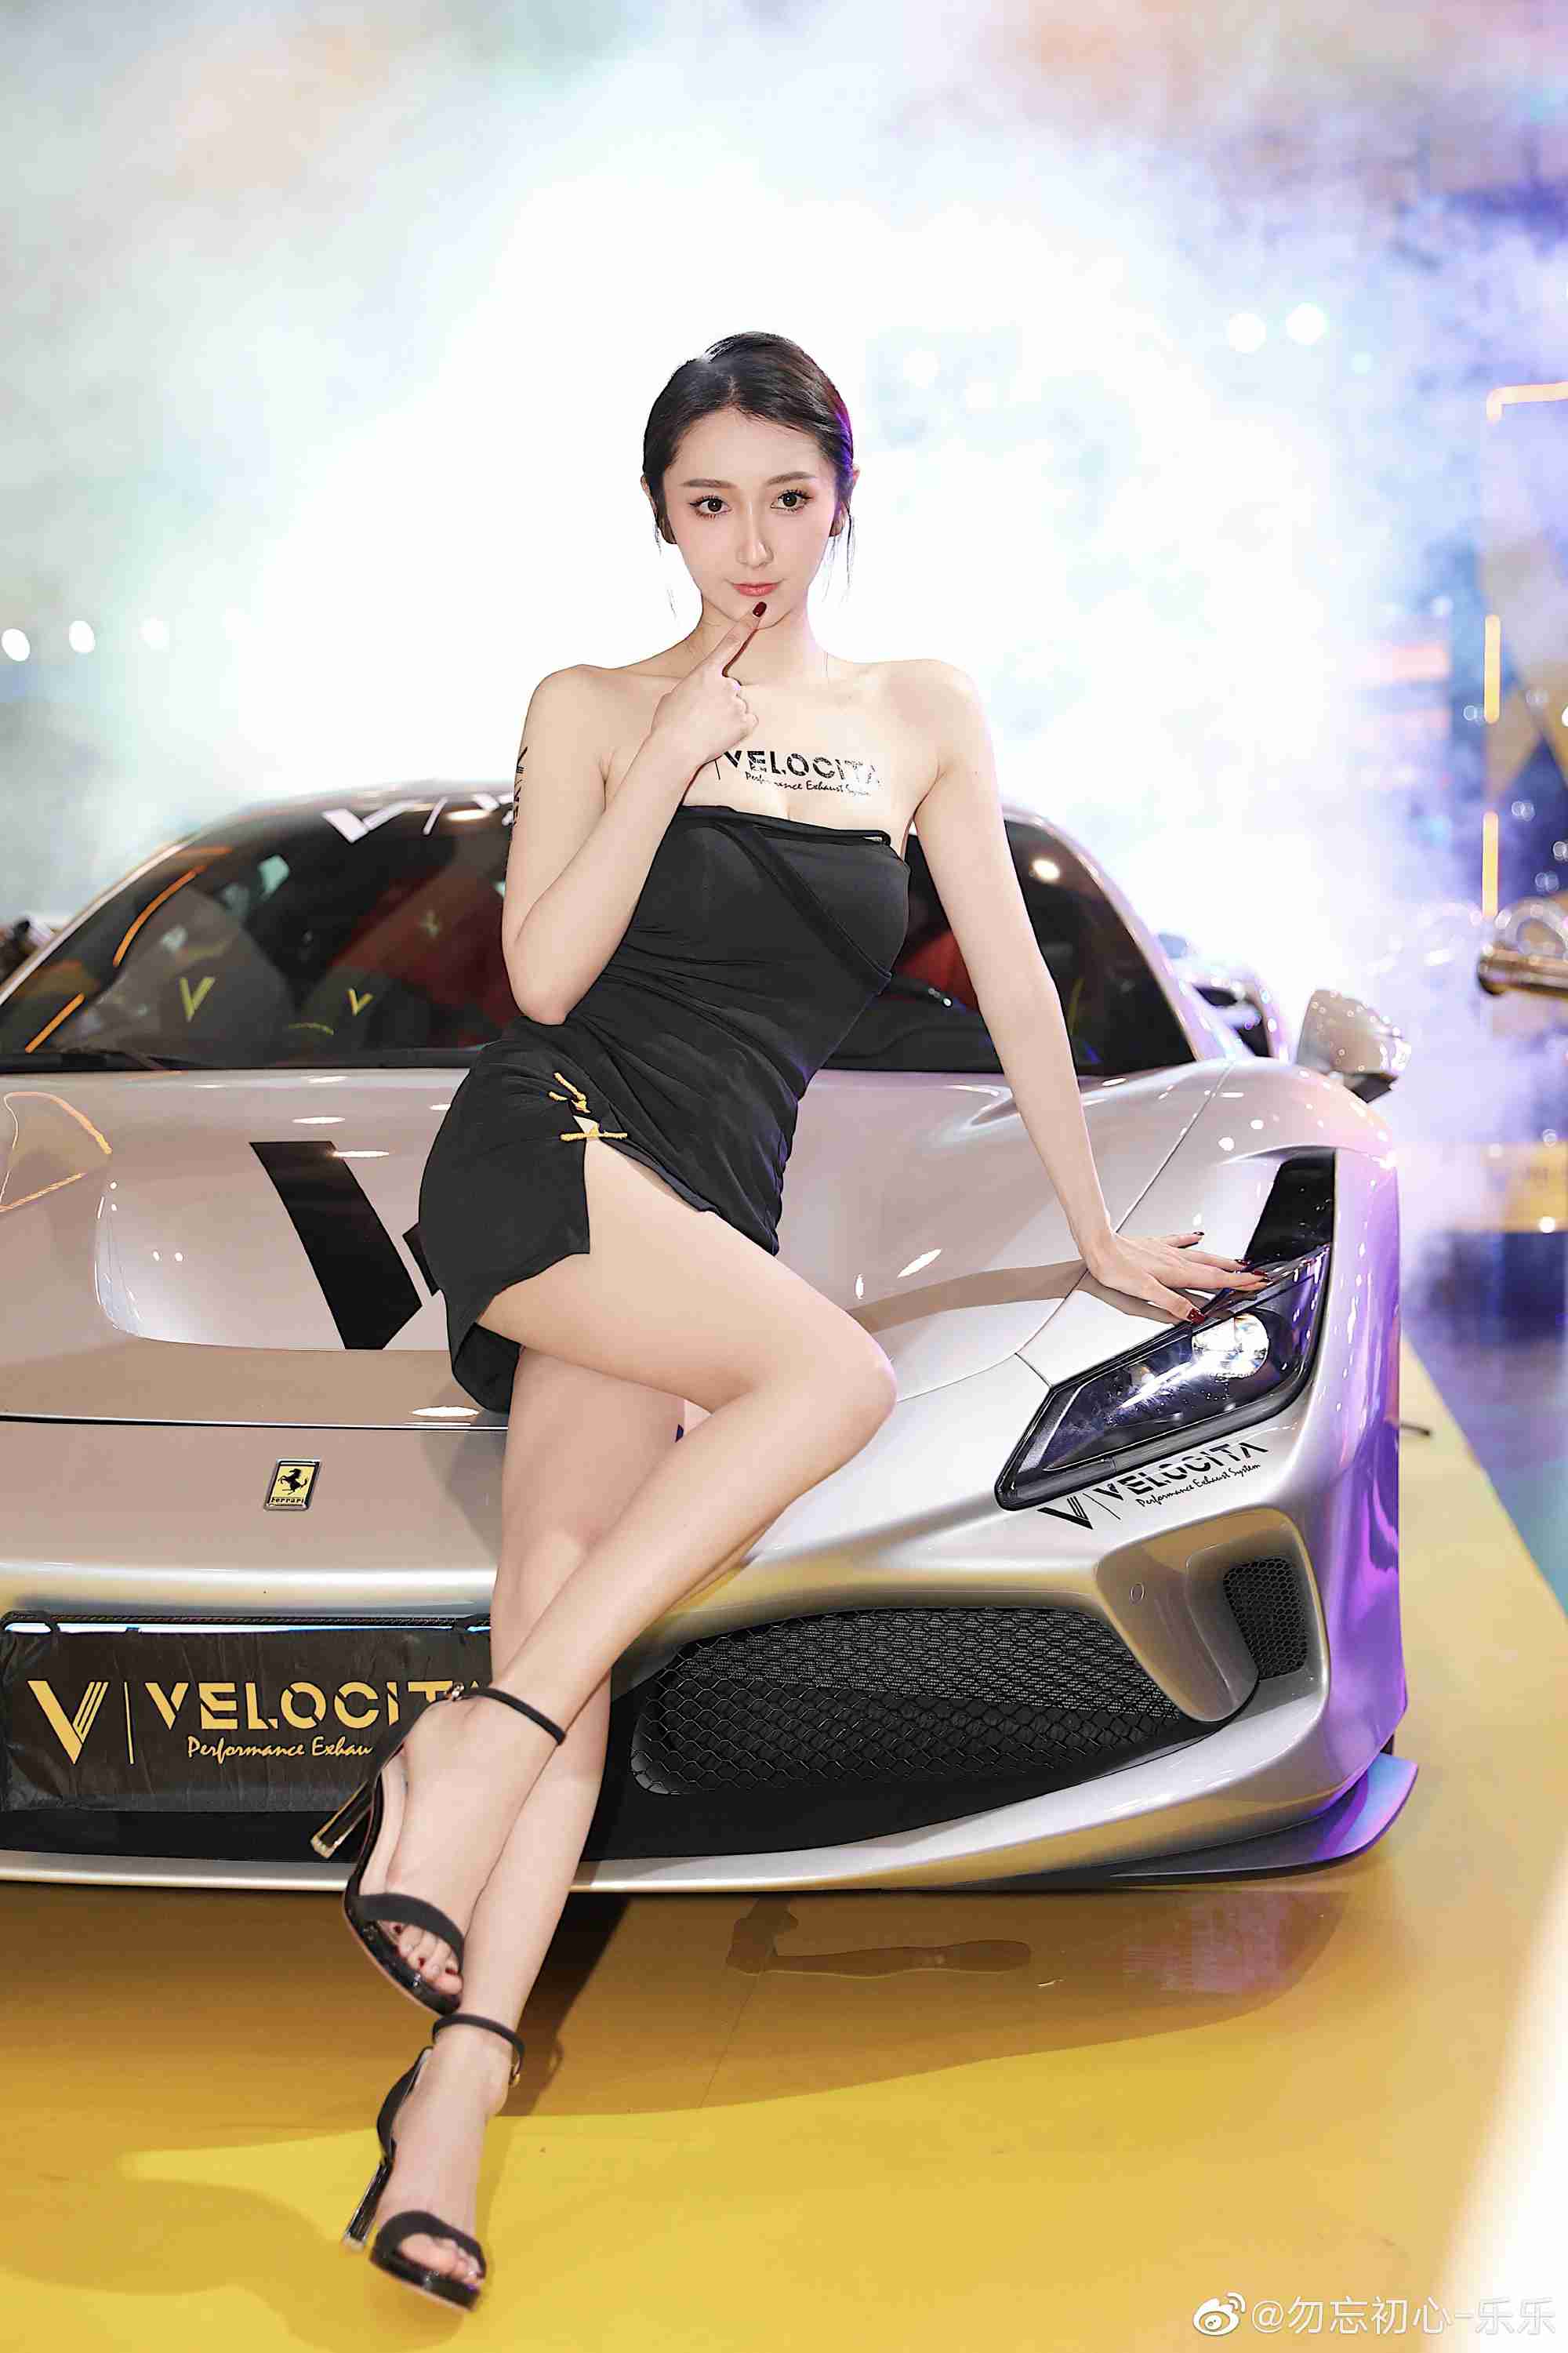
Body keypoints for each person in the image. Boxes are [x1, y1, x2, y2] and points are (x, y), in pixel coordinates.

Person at [318, 330, 1268, 2309]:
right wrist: (672, 750)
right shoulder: (590, 702)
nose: (749, 543)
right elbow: (545, 979)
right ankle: (474, 1747)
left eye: (786, 498)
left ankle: (447, 2108)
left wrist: (1096, 1226)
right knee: (827, 1376)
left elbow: (1015, 983)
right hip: (556, 1140)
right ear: (658, 516)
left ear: (842, 502)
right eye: (707, 502)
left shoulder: (920, 713)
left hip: (703, 1208)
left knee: (560, 1604)